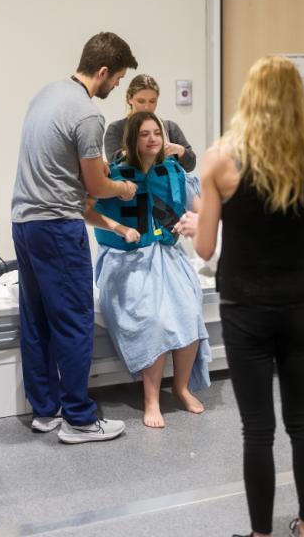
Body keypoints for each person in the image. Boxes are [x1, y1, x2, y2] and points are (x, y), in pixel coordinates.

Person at [194, 56, 304, 537]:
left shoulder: (220, 159)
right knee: (303, 422)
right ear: (298, 100)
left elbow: (204, 246)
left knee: (257, 430)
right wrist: (300, 244)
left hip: (244, 311)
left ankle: (261, 534)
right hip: (298, 307)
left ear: (249, 99)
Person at [10, 32, 138, 444]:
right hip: (57, 227)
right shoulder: (86, 114)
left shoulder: (47, 94)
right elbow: (96, 186)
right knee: (76, 319)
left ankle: (46, 411)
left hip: (24, 221)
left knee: (38, 318)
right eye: (117, 79)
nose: (116, 86)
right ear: (102, 71)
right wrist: (121, 189)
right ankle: (80, 419)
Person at [87, 110, 211, 429]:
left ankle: (181, 388)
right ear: (132, 138)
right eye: (144, 134)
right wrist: (120, 230)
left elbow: (203, 212)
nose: (153, 138)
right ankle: (151, 399)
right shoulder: (115, 176)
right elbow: (87, 211)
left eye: (157, 132)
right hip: (126, 259)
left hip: (168, 255)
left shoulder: (172, 172)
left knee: (188, 311)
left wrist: (193, 222)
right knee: (152, 318)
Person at [103, 74, 196, 171]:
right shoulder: (116, 128)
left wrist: (180, 151)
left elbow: (191, 164)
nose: (147, 107)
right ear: (129, 99)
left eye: (152, 101)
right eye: (141, 101)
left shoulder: (170, 128)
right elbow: (114, 162)